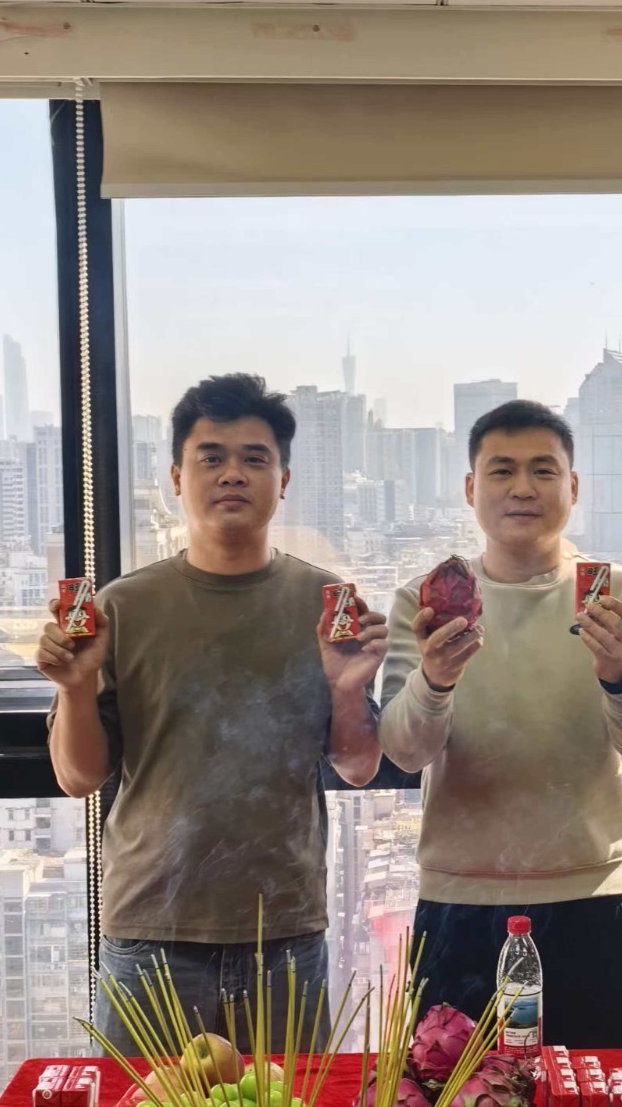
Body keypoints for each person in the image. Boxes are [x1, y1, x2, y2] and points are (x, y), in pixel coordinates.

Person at [38, 373, 387, 1055]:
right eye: (211, 457)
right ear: (177, 476)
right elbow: (79, 777)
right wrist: (75, 689)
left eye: (255, 458)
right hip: (151, 931)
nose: (233, 474)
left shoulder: (324, 601)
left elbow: (357, 765)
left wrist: (348, 690)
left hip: (284, 931)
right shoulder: (123, 607)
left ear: (283, 480)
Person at [378, 399, 622, 1068]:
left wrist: (621, 677)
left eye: (543, 471)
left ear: (572, 487)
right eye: (502, 471)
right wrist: (435, 680)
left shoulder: (618, 595)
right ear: (470, 488)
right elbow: (404, 749)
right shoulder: (426, 601)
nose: (523, 488)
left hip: (592, 896)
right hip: (460, 900)